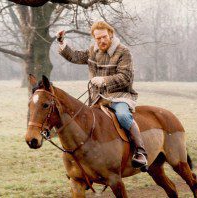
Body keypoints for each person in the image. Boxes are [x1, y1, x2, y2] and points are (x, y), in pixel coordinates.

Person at [56, 21, 147, 168]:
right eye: (98, 38)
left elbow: (126, 78)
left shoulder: (123, 52)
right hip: (97, 99)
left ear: (110, 34)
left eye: (104, 37)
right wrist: (61, 42)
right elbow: (75, 56)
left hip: (119, 96)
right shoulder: (93, 50)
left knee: (123, 116)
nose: (102, 41)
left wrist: (104, 80)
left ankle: (140, 152)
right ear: (94, 38)